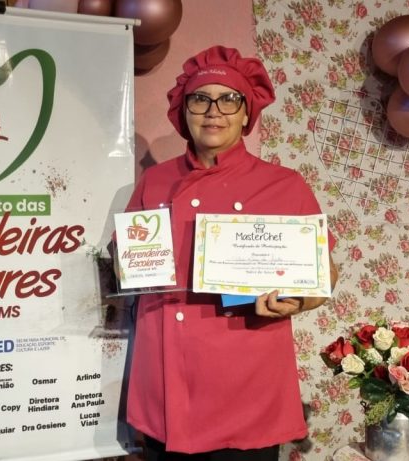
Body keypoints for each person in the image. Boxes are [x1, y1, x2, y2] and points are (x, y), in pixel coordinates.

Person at [123, 46, 339, 460]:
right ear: (184, 111)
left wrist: (299, 300)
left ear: (246, 113)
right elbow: (128, 260)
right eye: (201, 99)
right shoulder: (154, 180)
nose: (213, 111)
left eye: (229, 99)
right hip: (165, 379)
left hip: (244, 384)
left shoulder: (284, 186)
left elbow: (323, 275)